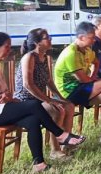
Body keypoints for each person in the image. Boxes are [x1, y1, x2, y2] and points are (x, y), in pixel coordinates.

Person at [0, 32, 86, 173]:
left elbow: (0, 93)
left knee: (33, 120)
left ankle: (39, 165)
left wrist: (7, 98)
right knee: (34, 105)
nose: (9, 50)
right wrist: (2, 99)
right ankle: (60, 135)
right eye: (6, 46)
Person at [13, 28, 75, 160]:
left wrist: (60, 98)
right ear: (37, 43)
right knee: (57, 110)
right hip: (26, 101)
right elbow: (28, 84)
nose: (50, 39)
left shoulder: (45, 57)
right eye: (47, 38)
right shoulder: (29, 57)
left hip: (39, 99)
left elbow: (49, 81)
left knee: (69, 106)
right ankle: (55, 150)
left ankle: (66, 144)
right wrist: (49, 100)